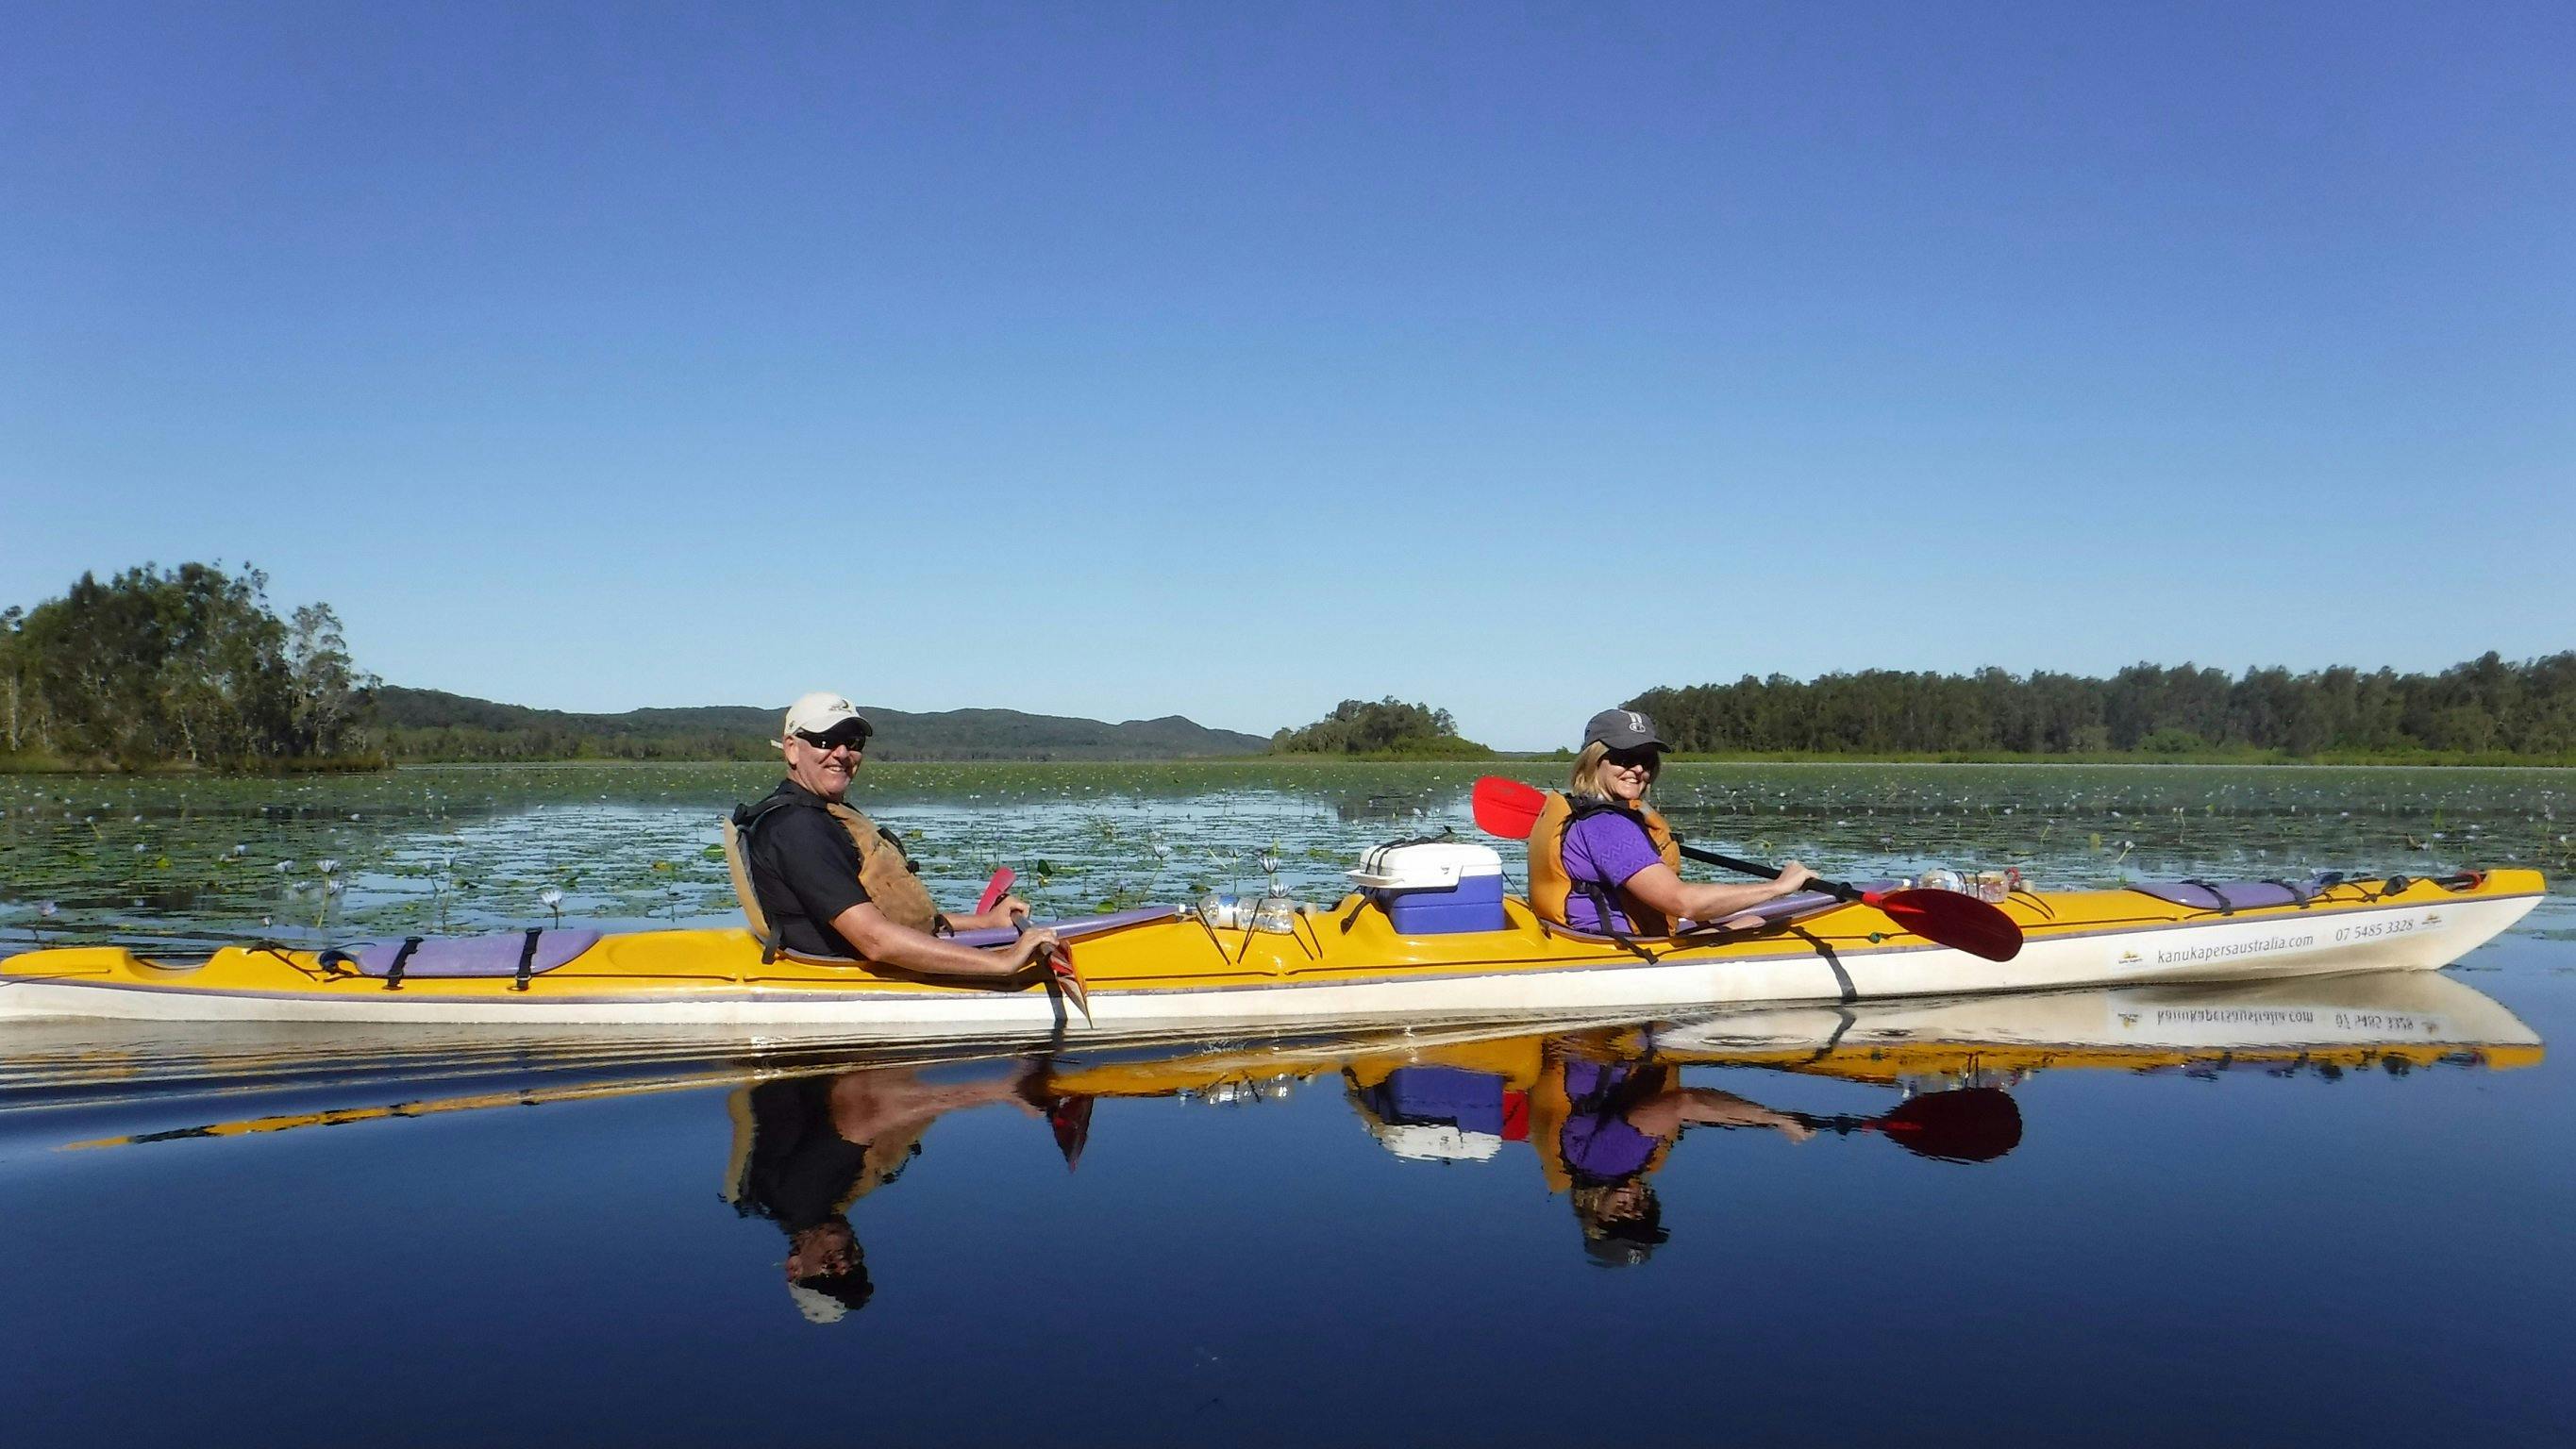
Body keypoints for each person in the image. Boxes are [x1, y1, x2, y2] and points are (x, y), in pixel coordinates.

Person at [728, 691, 1059, 977]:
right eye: (826, 741)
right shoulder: (797, 829)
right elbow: (877, 940)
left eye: (853, 743)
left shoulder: (818, 815)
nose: (843, 754)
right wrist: (1002, 961)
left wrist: (985, 923)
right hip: (844, 976)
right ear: (792, 749)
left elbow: (886, 918)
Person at [1526, 708, 1818, 937]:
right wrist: (1779, 887)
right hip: (1621, 949)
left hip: (1582, 935)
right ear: (1595, 760)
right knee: (1756, 923)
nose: (1638, 769)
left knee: (1744, 918)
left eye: (1646, 758)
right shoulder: (1609, 826)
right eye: (1624, 758)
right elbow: (1684, 903)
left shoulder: (1584, 811)